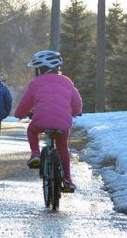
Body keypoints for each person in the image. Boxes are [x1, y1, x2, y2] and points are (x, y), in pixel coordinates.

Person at [13, 50, 83, 193]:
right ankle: (67, 180)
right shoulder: (67, 82)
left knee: (32, 130)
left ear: (42, 69)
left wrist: (20, 114)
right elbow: (77, 103)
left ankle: (35, 154)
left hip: (40, 120)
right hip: (63, 123)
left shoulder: (35, 83)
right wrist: (76, 112)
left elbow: (24, 105)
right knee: (62, 147)